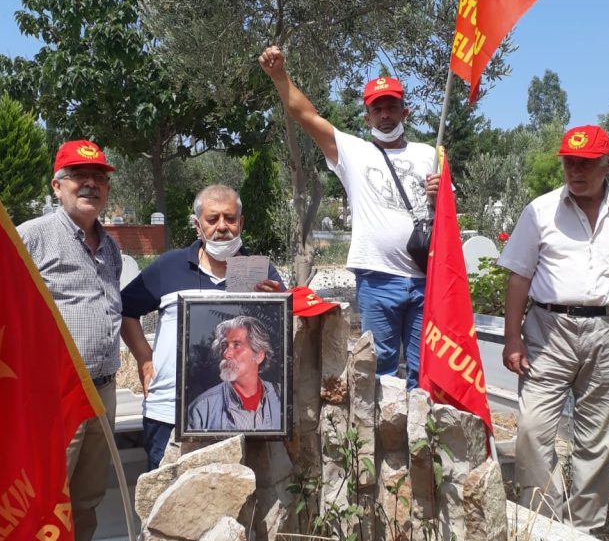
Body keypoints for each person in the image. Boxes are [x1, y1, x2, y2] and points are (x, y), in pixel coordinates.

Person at [499, 124, 609, 534]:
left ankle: (585, 532)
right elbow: (519, 278)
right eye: (569, 162)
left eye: (586, 163)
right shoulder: (540, 211)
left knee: (597, 440)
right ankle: (542, 528)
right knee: (533, 430)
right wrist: (511, 337)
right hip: (548, 331)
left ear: (608, 164)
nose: (575, 171)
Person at [259, 45, 439, 388]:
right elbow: (306, 116)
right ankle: (381, 439)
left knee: (424, 370)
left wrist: (441, 196)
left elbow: (447, 217)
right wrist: (279, 77)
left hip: (423, 280)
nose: (385, 114)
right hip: (378, 279)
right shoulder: (353, 151)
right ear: (366, 118)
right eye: (378, 108)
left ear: (406, 112)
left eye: (392, 106)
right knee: (380, 367)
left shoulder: (429, 154)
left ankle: (421, 441)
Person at [121, 184, 284, 468]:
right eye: (212, 219)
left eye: (230, 218)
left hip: (242, 425)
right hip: (168, 415)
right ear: (198, 225)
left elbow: (281, 335)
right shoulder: (168, 266)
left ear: (241, 222)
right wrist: (145, 359)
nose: (223, 227)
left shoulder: (261, 272)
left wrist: (276, 303)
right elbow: (125, 310)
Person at [18, 140, 122, 541]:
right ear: (56, 186)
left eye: (99, 177)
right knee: (45, 498)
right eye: (80, 176)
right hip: (54, 392)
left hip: (103, 391)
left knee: (87, 496)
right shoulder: (33, 236)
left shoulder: (110, 245)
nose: (91, 184)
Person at [187, 316, 281, 432]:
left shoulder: (281, 396)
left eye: (237, 345)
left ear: (259, 355)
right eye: (224, 346)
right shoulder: (201, 409)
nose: (227, 354)